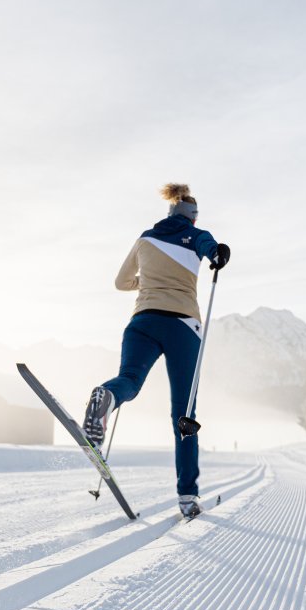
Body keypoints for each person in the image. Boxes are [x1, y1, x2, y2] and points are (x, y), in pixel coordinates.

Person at [83, 183, 230, 518]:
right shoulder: (196, 235)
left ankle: (106, 396)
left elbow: (121, 282)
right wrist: (218, 253)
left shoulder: (145, 238)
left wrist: (148, 283)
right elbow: (212, 249)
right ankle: (187, 496)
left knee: (129, 380)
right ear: (192, 216)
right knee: (184, 414)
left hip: (142, 321)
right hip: (182, 326)